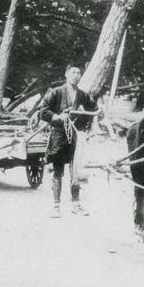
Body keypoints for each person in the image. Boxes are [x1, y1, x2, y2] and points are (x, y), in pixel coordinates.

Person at [39, 65, 97, 218]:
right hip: (59, 136)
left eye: (79, 73)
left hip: (76, 137)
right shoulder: (56, 92)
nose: (76, 76)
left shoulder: (83, 95)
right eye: (73, 73)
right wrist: (58, 117)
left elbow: (93, 108)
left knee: (75, 172)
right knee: (58, 172)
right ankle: (56, 206)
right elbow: (43, 111)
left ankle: (76, 205)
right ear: (66, 74)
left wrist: (93, 117)